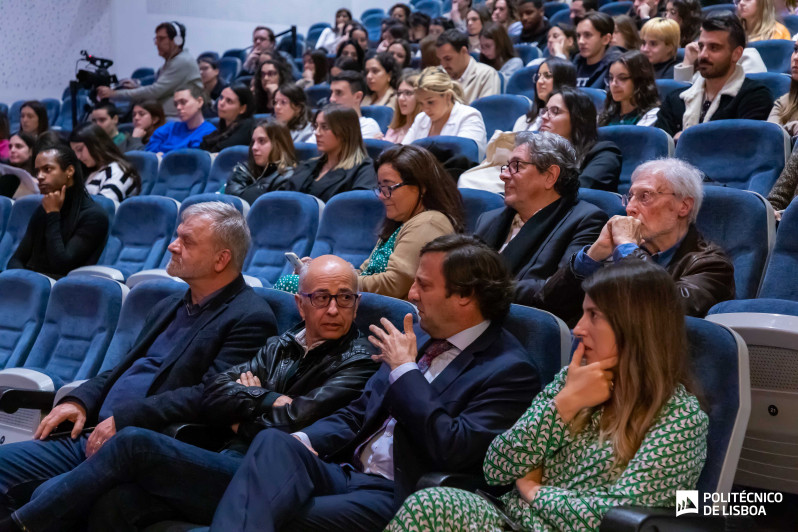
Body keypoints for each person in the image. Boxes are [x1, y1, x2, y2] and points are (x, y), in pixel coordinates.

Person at [0, 255, 386, 532]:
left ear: (358, 303)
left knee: (135, 444)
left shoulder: (361, 359)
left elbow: (293, 421)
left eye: (345, 298)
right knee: (115, 504)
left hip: (272, 475)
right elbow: (216, 392)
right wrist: (264, 399)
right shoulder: (282, 343)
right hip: (224, 456)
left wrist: (242, 413)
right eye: (321, 297)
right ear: (301, 304)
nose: (334, 308)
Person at [209, 233, 542, 531]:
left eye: (424, 285)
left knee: (268, 508)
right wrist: (306, 440)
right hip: (347, 471)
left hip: (401, 492)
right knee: (275, 444)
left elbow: (451, 448)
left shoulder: (509, 371)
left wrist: (405, 371)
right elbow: (357, 414)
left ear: (465, 296)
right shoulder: (423, 336)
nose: (412, 294)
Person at [0, 201, 277, 527]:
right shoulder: (169, 304)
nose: (173, 246)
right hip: (91, 433)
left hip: (142, 448)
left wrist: (125, 418)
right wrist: (80, 399)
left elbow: (211, 396)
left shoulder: (249, 317)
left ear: (221, 259)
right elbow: (121, 370)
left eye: (187, 241)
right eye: (176, 236)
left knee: (46, 497)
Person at [386, 260, 709, 532]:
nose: (578, 328)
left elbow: (617, 516)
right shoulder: (571, 382)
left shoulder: (679, 417)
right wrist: (563, 406)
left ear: (637, 326)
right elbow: (497, 467)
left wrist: (533, 492)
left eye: (594, 316)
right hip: (512, 521)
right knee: (432, 504)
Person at [543, 158, 735, 322]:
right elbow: (548, 307)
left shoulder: (712, 265)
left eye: (645, 196)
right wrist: (592, 256)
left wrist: (628, 249)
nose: (630, 208)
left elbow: (663, 313)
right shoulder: (620, 253)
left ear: (683, 206)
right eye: (631, 197)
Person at [275, 145, 465, 299]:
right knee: (293, 284)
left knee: (291, 286)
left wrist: (329, 280)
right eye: (380, 188)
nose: (382, 196)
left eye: (389, 187)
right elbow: (364, 272)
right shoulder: (401, 222)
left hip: (387, 312)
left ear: (421, 187)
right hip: (366, 302)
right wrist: (321, 271)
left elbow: (395, 283)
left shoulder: (429, 222)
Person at [475, 131, 608, 306]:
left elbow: (558, 290)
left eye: (516, 166)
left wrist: (477, 290)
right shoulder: (488, 219)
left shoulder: (585, 220)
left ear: (550, 176)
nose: (503, 175)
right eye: (506, 166)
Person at [655, 12, 773, 139]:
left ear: (736, 54)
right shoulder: (676, 100)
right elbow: (658, 150)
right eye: (701, 46)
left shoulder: (755, 96)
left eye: (714, 48)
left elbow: (742, 149)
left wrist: (687, 139)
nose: (703, 55)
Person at [7, 141, 109, 277]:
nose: (39, 177)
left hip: (62, 291)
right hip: (29, 286)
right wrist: (18, 279)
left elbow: (61, 265)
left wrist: (53, 214)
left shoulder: (94, 216)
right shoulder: (44, 209)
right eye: (37, 171)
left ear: (69, 171)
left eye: (47, 169)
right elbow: (16, 260)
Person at [98, 21, 203, 117]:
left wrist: (115, 94)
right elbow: (159, 89)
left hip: (177, 117)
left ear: (177, 41)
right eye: (156, 39)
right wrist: (137, 87)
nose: (156, 43)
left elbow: (155, 91)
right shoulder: (171, 62)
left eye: (161, 39)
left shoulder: (182, 61)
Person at [285, 104, 376, 202]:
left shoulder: (363, 169)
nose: (317, 133)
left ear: (345, 131)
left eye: (324, 127)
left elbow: (357, 209)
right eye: (316, 126)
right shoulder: (307, 165)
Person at [540, 87, 622, 191]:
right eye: (545, 111)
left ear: (578, 119)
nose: (544, 117)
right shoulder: (539, 153)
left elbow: (580, 192)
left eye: (555, 111)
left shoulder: (605, 153)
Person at [401, 67, 488, 157]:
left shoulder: (470, 116)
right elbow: (403, 154)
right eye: (421, 103)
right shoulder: (421, 118)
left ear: (448, 96)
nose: (425, 109)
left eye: (430, 102)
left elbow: (465, 158)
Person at [68, 124, 141, 206]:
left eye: (80, 149)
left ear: (96, 144)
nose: (78, 157)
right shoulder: (90, 170)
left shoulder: (119, 171)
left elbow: (103, 207)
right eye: (75, 152)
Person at [226, 120, 297, 204]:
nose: (254, 147)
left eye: (261, 141)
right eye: (253, 142)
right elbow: (231, 203)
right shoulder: (243, 169)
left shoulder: (289, 177)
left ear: (279, 144)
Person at [145, 85, 216, 154]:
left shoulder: (209, 132)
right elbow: (149, 153)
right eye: (176, 104)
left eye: (183, 102)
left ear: (199, 102)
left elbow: (188, 158)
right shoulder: (168, 128)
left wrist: (162, 155)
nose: (178, 107)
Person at [437, 29, 502, 103]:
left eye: (448, 59)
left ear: (463, 51)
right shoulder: (438, 75)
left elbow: (487, 111)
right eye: (440, 59)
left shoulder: (486, 75)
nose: (443, 64)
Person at [598, 51, 661, 126]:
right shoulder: (606, 115)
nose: (613, 84)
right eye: (611, 78)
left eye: (622, 78)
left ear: (640, 81)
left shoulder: (652, 115)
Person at [514, 58, 577, 132]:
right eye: (538, 76)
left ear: (563, 81)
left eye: (547, 76)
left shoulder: (570, 121)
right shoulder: (523, 121)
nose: (540, 81)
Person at [199, 84, 255, 152]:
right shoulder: (222, 129)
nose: (221, 103)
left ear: (242, 109)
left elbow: (222, 150)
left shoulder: (248, 126)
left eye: (229, 101)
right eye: (221, 98)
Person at [329, 71, 384, 139]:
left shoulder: (368, 126)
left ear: (358, 97)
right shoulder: (324, 123)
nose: (332, 99)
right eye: (331, 92)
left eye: (339, 93)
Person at [574, 12, 623, 88]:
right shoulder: (575, 63)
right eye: (578, 36)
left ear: (606, 39)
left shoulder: (616, 68)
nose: (581, 41)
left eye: (587, 35)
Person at [768, 42, 798, 135]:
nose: (796, 57)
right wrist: (793, 127)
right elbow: (770, 135)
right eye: (796, 49)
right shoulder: (784, 103)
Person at [385, 72, 421, 143]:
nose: (401, 98)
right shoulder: (393, 129)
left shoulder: (423, 130)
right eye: (399, 93)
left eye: (408, 93)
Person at [0, 133, 37, 198]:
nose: (12, 150)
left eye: (18, 146)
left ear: (31, 151)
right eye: (10, 147)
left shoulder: (39, 173)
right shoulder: (3, 173)